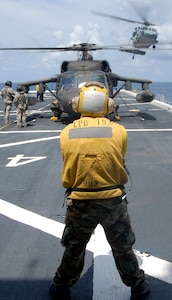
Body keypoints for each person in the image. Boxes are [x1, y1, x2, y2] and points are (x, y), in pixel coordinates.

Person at [49, 82, 150, 300]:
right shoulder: (119, 131)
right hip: (112, 199)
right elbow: (119, 154)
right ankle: (138, 287)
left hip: (79, 199)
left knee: (74, 248)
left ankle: (61, 287)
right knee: (123, 247)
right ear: (108, 105)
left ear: (78, 104)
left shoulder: (67, 132)